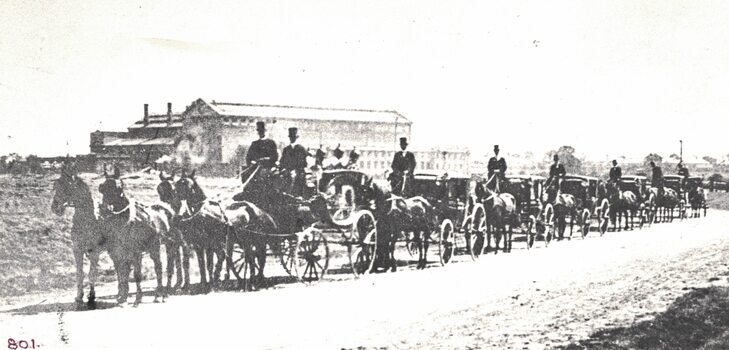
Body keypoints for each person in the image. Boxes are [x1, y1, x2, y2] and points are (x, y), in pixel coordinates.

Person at [279, 127, 308, 196]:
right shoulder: (286, 149)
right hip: (287, 172)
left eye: (294, 137)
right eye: (291, 137)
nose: (292, 138)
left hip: (298, 172)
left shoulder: (301, 149)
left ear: (297, 137)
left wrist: (295, 170)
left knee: (296, 180)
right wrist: (283, 169)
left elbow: (303, 163)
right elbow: (282, 162)